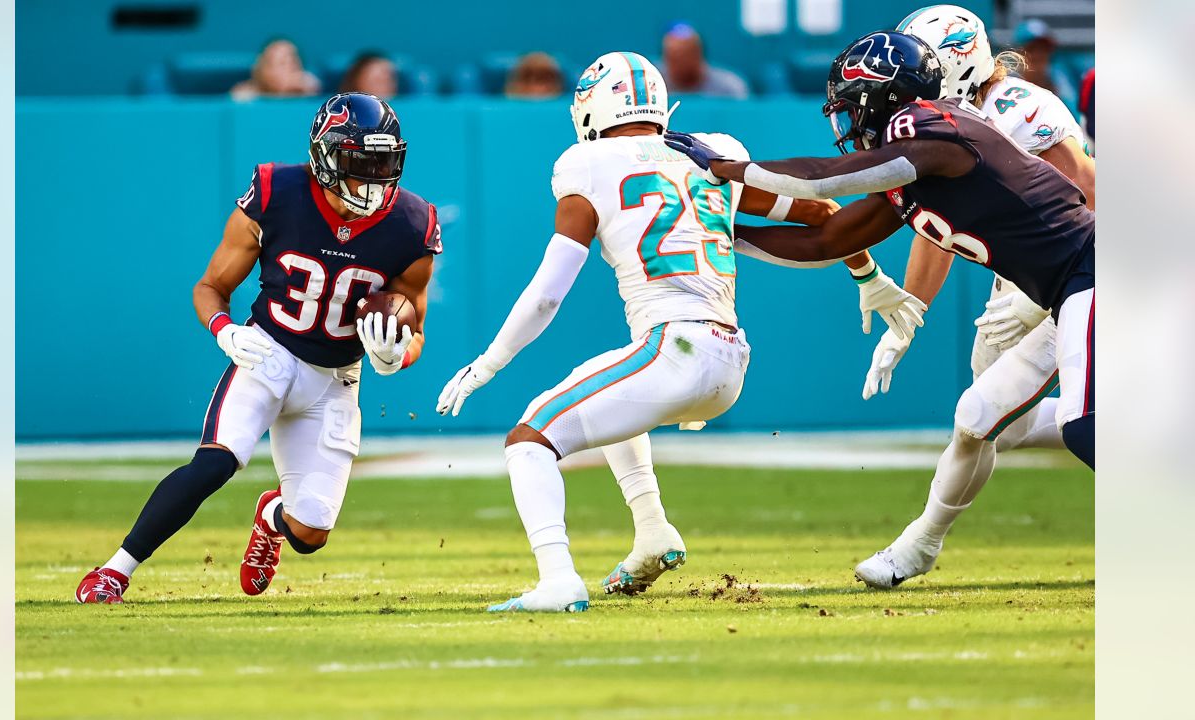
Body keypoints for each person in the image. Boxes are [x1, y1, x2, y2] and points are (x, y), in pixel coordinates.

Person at [435, 52, 924, 612]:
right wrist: (870, 277)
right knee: (604, 390)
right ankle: (652, 529)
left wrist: (491, 361)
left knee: (529, 441)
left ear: (595, 105)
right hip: (729, 358)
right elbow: (821, 215)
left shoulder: (586, 163)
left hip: (675, 349)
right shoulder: (712, 151)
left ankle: (557, 581)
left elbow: (549, 290)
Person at [666, 35, 1094, 487]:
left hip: (1088, 271)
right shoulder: (913, 166)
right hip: (1067, 286)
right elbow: (827, 240)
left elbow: (820, 182)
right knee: (1021, 418)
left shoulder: (929, 125)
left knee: (1082, 427)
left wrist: (724, 168)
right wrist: (726, 233)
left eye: (852, 105)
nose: (847, 119)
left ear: (883, 97)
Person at [75, 94, 443, 603]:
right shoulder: (277, 191)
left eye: (384, 163)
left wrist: (394, 355)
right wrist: (225, 329)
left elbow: (417, 329)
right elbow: (209, 288)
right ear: (325, 156)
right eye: (361, 163)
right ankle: (115, 570)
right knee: (215, 463)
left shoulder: (410, 222)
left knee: (310, 534)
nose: (375, 178)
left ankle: (272, 514)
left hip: (336, 379)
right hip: (268, 352)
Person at [834, 6, 1097, 589]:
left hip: (1074, 277)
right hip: (1034, 282)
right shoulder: (942, 118)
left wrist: (1058, 293)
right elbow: (936, 227)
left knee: (980, 414)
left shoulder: (1018, 107)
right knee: (1008, 425)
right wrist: (911, 312)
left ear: (952, 60)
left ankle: (918, 545)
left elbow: (1088, 189)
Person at [660, 22, 749, 98]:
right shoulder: (654, 84)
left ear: (698, 54)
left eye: (683, 55)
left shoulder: (729, 87)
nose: (679, 63)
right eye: (672, 57)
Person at [230, 38, 321, 100]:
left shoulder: (308, 87)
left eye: (294, 61)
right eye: (282, 63)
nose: (291, 68)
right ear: (263, 71)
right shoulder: (246, 95)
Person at [1012, 19, 1073, 100]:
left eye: (1044, 49)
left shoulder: (1059, 81)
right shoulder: (1006, 83)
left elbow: (1072, 110)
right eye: (1032, 49)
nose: (1038, 55)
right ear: (1018, 53)